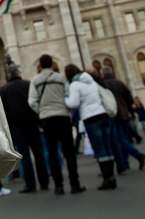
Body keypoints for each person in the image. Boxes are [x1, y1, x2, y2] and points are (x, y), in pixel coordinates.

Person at [28, 55, 86, 195]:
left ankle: (58, 186)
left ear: (40, 66)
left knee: (52, 152)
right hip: (63, 117)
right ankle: (74, 184)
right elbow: (69, 96)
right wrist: (66, 110)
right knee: (69, 152)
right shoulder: (61, 78)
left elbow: (32, 101)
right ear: (52, 64)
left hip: (47, 118)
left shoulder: (35, 80)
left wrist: (41, 111)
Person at [64, 65, 117, 190]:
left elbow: (73, 103)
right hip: (103, 114)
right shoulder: (91, 81)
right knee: (107, 147)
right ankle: (112, 177)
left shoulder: (75, 85)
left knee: (99, 149)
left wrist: (64, 99)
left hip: (91, 118)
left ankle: (107, 178)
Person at [0, 65, 49, 193]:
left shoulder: (4, 90)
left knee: (25, 155)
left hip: (16, 127)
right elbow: (36, 101)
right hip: (32, 123)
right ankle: (44, 182)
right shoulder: (28, 85)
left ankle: (30, 184)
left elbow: (3, 110)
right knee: (39, 154)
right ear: (19, 73)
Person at [100, 66, 145, 171]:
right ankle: (125, 163)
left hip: (114, 115)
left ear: (103, 74)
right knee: (124, 138)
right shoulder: (119, 82)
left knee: (119, 140)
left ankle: (138, 155)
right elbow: (129, 97)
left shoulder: (104, 85)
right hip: (125, 114)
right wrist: (128, 108)